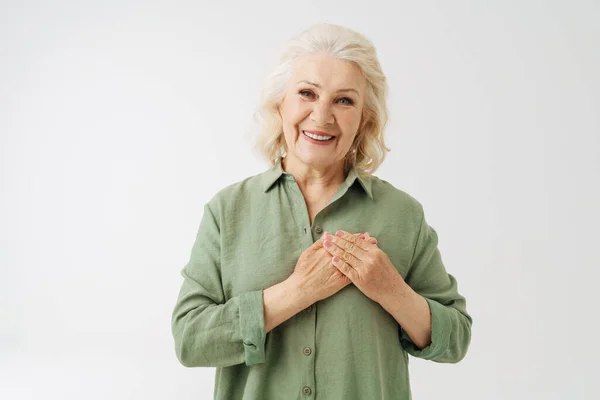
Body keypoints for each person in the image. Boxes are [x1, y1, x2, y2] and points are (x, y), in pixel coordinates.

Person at [171, 22, 472, 399]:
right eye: (307, 94)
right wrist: (295, 292)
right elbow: (190, 340)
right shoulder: (227, 211)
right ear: (280, 104)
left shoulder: (402, 214)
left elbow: (456, 338)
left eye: (344, 100)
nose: (322, 116)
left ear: (365, 117)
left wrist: (391, 289)